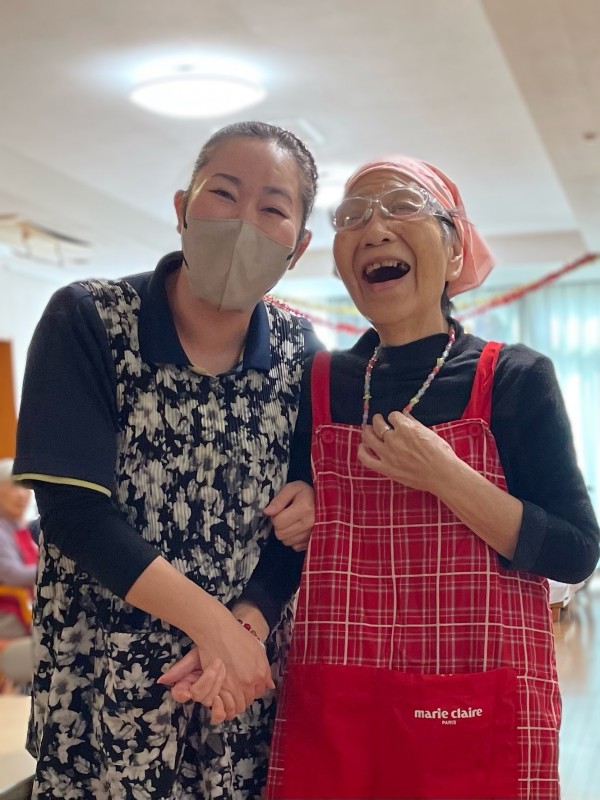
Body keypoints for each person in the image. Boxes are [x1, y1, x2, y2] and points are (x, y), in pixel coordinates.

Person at [166, 154, 600, 799]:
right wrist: (242, 629)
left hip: (470, 700)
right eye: (352, 216)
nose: (373, 229)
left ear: (454, 250)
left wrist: (448, 477)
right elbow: (291, 546)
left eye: (401, 206)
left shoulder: (512, 377)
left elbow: (575, 550)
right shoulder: (320, 381)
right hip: (339, 702)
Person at [13, 121, 323, 800]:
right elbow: (76, 515)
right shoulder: (90, 320)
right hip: (104, 686)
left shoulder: (302, 355)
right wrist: (217, 629)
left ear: (298, 247)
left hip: (237, 694)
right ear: (183, 208)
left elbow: (296, 526)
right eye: (224, 193)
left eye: (273, 208)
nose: (243, 222)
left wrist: (244, 630)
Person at [0, 458, 37, 638]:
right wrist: (51, 570)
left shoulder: (21, 526)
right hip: (10, 615)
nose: (22, 495)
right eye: (14, 487)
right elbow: (13, 575)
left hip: (29, 609)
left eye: (25, 488)